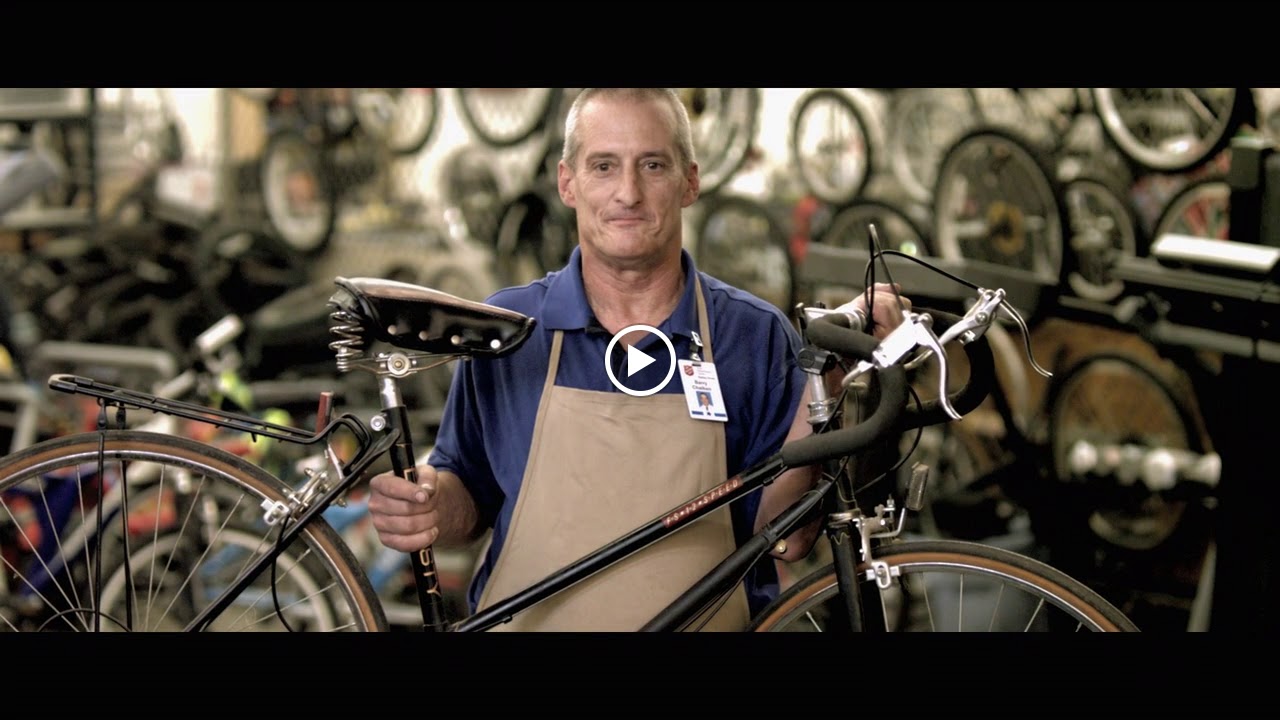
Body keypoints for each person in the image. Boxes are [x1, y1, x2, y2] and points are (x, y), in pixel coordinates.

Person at [367, 88, 908, 631]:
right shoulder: (509, 331)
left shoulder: (752, 335)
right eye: (604, 166)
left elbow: (787, 536)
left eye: (652, 165)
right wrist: (428, 505)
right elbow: (467, 497)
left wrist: (829, 378)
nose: (628, 193)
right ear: (567, 182)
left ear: (689, 181)